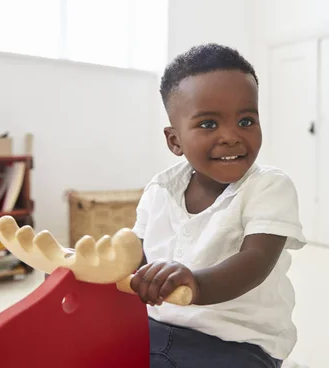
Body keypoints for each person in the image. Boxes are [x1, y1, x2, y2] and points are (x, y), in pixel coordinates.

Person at [130, 43, 305, 368]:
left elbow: (255, 260)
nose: (231, 136)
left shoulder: (269, 187)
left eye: (246, 121)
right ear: (175, 141)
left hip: (237, 343)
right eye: (209, 124)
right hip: (154, 329)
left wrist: (196, 284)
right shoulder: (159, 190)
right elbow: (133, 256)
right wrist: (82, 268)